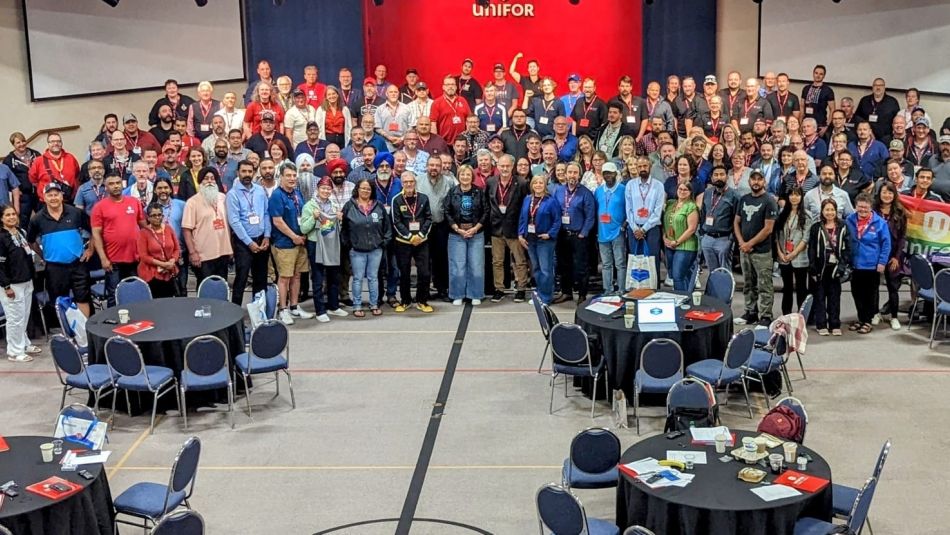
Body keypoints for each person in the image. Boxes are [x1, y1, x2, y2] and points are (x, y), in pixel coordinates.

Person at [268, 163, 314, 324]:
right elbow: (277, 221)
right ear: (281, 177)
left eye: (294, 175)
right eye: (288, 175)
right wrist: (294, 236)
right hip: (285, 243)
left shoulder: (297, 194)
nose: (292, 179)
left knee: (297, 276)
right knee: (285, 277)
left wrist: (303, 235)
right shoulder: (276, 196)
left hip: (300, 242)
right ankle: (283, 309)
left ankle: (294, 307)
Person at [91, 173, 145, 306]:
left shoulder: (134, 202)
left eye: (117, 183)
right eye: (111, 184)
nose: (115, 186)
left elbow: (144, 227)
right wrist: (103, 258)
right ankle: (112, 324)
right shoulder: (99, 207)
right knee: (114, 295)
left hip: (134, 258)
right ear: (106, 187)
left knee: (135, 293)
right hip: (113, 260)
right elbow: (96, 234)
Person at [300, 176, 348, 322]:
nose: (326, 191)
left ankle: (333, 306)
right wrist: (313, 218)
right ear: (318, 189)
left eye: (328, 189)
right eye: (323, 188)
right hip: (316, 244)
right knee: (318, 277)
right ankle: (320, 310)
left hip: (332, 243)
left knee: (334, 276)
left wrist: (340, 219)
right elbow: (304, 228)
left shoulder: (333, 206)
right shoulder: (309, 206)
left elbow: (337, 227)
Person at [342, 178, 392, 317]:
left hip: (376, 249)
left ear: (372, 191)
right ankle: (357, 306)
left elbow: (387, 227)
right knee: (357, 278)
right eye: (363, 188)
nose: (365, 191)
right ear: (357, 189)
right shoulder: (349, 206)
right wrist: (349, 244)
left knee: (373, 278)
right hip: (356, 251)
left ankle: (374, 304)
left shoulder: (378, 206)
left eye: (368, 189)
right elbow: (344, 228)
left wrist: (384, 242)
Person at [733, 170, 777, 325]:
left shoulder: (769, 200)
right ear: (749, 181)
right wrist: (741, 243)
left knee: (764, 285)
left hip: (762, 252)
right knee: (748, 284)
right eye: (753, 179)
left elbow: (768, 229)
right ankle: (750, 312)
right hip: (744, 250)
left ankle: (766, 316)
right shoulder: (744, 199)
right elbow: (736, 222)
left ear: (764, 181)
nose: (756, 182)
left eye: (759, 179)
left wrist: (749, 244)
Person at [226, 160, 271, 305]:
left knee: (261, 278)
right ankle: (236, 314)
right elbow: (234, 222)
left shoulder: (259, 190)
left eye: (250, 171)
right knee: (242, 278)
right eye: (244, 171)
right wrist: (249, 242)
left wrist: (267, 235)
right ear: (238, 173)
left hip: (261, 240)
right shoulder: (232, 194)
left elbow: (265, 213)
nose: (247, 174)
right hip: (244, 243)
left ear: (254, 173)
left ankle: (259, 312)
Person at [846, 193, 890, 334]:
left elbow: (886, 244)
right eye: (860, 207)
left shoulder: (880, 223)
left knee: (870, 295)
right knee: (856, 293)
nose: (863, 210)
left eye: (866, 208)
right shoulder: (849, 220)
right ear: (855, 206)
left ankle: (868, 321)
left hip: (872, 265)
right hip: (855, 264)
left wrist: (882, 262)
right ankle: (860, 318)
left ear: (871, 207)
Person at [487, 155, 529, 302]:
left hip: (515, 228)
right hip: (496, 228)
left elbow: (526, 208)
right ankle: (499, 289)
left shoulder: (522, 183)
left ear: (513, 167)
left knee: (519, 261)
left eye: (507, 166)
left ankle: (521, 289)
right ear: (497, 166)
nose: (504, 169)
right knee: (497, 261)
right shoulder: (491, 182)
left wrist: (522, 230)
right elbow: (488, 205)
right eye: (502, 166)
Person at [0, 205, 39, 362]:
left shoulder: (21, 232)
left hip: (27, 280)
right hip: (11, 285)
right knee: (14, 318)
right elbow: (0, 266)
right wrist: (6, 286)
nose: (11, 217)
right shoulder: (1, 238)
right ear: (1, 218)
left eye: (13, 214)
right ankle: (14, 351)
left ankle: (24, 343)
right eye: (7, 215)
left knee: (24, 315)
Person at [552, 162, 595, 303]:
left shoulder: (585, 193)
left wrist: (583, 233)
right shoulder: (558, 191)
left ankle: (582, 295)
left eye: (575, 172)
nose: (572, 175)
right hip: (562, 234)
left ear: (579, 175)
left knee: (581, 266)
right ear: (565, 174)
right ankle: (566, 292)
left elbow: (590, 216)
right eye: (569, 172)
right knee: (564, 265)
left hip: (579, 235)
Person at [390, 171, 433, 313]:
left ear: (415, 183)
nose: (409, 184)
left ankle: (422, 300)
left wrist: (420, 235)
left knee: (425, 272)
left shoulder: (423, 198)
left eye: (411, 182)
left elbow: (428, 219)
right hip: (403, 242)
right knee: (404, 272)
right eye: (406, 182)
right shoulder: (396, 200)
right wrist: (410, 237)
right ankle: (405, 300)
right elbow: (396, 222)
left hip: (422, 241)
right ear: (402, 184)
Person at [444, 164, 487, 305]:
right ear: (459, 176)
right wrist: (457, 228)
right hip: (457, 234)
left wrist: (475, 228)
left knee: (476, 265)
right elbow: (447, 212)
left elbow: (486, 211)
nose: (465, 177)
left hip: (476, 233)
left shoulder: (479, 192)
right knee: (457, 266)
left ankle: (475, 294)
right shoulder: (452, 192)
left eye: (468, 174)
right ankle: (457, 294)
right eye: (462, 174)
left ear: (472, 177)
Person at [415, 155, 456, 301]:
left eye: (437, 165)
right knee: (424, 260)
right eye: (431, 165)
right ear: (426, 166)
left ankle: (442, 289)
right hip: (423, 227)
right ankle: (423, 292)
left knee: (441, 259)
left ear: (441, 167)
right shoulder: (418, 181)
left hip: (441, 226)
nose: (434, 168)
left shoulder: (449, 182)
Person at [182, 167, 232, 287]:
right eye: (206, 179)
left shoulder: (223, 198)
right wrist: (192, 252)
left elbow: (229, 224)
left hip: (223, 252)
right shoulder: (192, 202)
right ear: (200, 182)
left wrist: (230, 248)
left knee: (221, 287)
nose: (209, 181)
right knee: (205, 289)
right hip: (203, 255)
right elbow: (186, 230)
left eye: (212, 179)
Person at [808, 198, 850, 336]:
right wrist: (813, 267)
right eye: (827, 209)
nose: (830, 212)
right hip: (820, 268)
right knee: (819, 297)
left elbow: (847, 248)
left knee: (834, 297)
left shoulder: (843, 227)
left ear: (836, 211)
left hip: (835, 267)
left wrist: (842, 266)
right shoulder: (816, 227)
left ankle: (834, 324)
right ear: (822, 211)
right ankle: (821, 324)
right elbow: (812, 249)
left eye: (832, 209)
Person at [518, 175, 561, 305]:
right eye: (535, 183)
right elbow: (522, 218)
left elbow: (557, 220)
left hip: (545, 240)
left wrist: (550, 234)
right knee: (536, 268)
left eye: (540, 183)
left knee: (546, 270)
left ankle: (546, 297)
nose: (538, 185)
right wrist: (520, 234)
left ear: (545, 185)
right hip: (530, 240)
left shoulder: (551, 201)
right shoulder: (527, 199)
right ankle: (539, 294)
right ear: (532, 185)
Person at [625, 156, 665, 286]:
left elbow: (657, 211)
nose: (642, 169)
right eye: (640, 166)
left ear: (650, 167)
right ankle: (636, 289)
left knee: (652, 261)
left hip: (652, 229)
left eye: (645, 166)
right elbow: (629, 209)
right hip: (634, 228)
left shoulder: (658, 186)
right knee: (636, 260)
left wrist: (644, 229)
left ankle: (653, 290)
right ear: (636, 168)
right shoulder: (630, 185)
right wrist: (635, 228)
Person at [873, 182, 907, 330]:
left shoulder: (900, 212)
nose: (887, 195)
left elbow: (902, 237)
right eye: (884, 192)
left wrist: (896, 257)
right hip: (875, 255)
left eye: (890, 193)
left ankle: (894, 317)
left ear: (894, 195)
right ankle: (875, 313)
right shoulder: (873, 211)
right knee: (874, 287)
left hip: (893, 256)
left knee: (893, 288)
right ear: (879, 194)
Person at [775, 186, 809, 315]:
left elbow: (805, 238)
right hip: (783, 257)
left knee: (801, 288)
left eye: (797, 195)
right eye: (791, 195)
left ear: (801, 197)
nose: (794, 197)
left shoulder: (806, 215)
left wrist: (793, 254)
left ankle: (802, 315)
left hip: (799, 257)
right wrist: (779, 252)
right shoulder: (782, 214)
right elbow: (777, 236)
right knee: (787, 288)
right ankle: (786, 315)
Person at [700, 165, 739, 272]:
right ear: (712, 178)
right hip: (707, 237)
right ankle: (714, 289)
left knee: (724, 271)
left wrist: (732, 239)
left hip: (724, 239)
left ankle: (726, 289)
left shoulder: (734, 195)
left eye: (722, 174)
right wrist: (702, 234)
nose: (719, 177)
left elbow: (737, 219)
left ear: (727, 177)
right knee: (712, 271)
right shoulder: (708, 192)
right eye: (716, 175)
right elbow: (703, 213)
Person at [137, 202, 180, 298]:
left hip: (169, 272)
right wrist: (163, 265)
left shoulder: (169, 229)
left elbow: (177, 249)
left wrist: (171, 262)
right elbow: (143, 256)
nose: (157, 217)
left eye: (159, 215)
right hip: (151, 274)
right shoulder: (143, 233)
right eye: (154, 215)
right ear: (148, 218)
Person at [663, 181, 700, 292]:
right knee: (673, 275)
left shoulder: (691, 206)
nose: (682, 192)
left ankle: (682, 300)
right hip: (669, 244)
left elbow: (691, 229)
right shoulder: (670, 203)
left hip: (685, 246)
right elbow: (664, 222)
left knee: (678, 276)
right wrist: (664, 237)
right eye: (680, 189)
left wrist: (677, 242)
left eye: (685, 190)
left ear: (690, 192)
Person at [29, 132, 80, 204]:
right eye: (52, 141)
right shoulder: (39, 161)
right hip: (47, 202)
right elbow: (33, 180)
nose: (56, 143)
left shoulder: (70, 158)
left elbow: (77, 175)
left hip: (69, 201)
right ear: (48, 144)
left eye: (58, 141)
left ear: (61, 143)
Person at [5, 132, 39, 228]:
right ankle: (25, 241)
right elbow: (7, 179)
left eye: (23, 141)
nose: (21, 144)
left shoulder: (36, 154)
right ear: (13, 145)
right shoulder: (9, 160)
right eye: (18, 142)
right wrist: (14, 190)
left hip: (38, 194)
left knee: (43, 218)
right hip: (23, 196)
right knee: (23, 221)